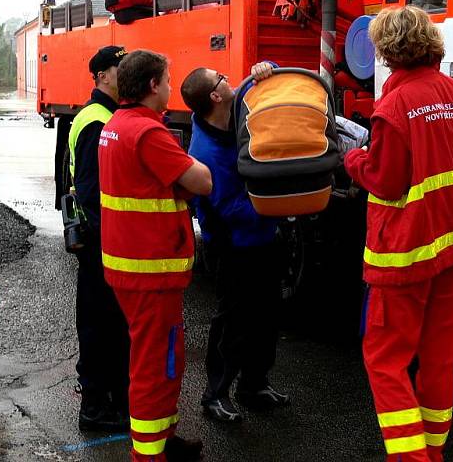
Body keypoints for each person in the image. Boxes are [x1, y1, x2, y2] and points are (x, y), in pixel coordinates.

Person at [343, 6, 453, 462]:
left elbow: (385, 180)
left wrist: (352, 158)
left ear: (386, 50)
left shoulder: (393, 107)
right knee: (439, 352)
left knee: (385, 360)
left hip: (405, 253)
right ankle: (434, 450)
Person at [98, 49, 212, 462]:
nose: (169, 87)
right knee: (153, 367)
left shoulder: (117, 124)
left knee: (167, 358)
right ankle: (149, 455)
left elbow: (156, 184)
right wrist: (188, 169)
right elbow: (201, 181)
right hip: (150, 273)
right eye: (167, 80)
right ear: (152, 86)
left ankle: (164, 440)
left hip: (134, 268)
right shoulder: (149, 133)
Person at [180, 62, 290, 424]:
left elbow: (269, 74)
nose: (229, 79)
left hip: (264, 237)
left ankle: (254, 384)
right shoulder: (206, 152)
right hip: (233, 245)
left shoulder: (235, 104)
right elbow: (229, 207)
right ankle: (215, 395)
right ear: (215, 95)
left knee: (267, 314)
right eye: (221, 78)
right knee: (233, 322)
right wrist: (278, 205)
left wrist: (265, 68)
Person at [67, 46, 131, 432]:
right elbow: (92, 192)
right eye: (119, 67)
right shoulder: (96, 121)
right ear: (102, 76)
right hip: (99, 241)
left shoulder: (104, 115)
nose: (125, 72)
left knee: (108, 323)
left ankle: (108, 399)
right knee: (97, 324)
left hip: (100, 239)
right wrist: (106, 245)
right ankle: (93, 407)